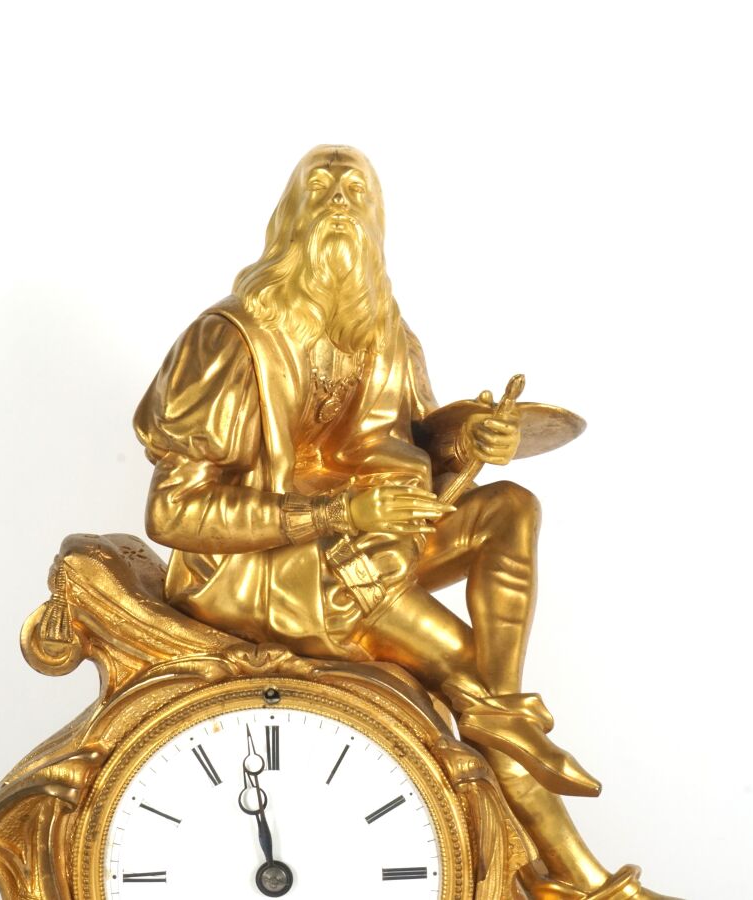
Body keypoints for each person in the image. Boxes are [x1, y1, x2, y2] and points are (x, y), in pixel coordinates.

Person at [134, 146, 677, 899]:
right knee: (460, 665)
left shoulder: (385, 334)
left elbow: (415, 441)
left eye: (353, 188)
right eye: (319, 186)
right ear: (287, 219)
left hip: (370, 543)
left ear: (377, 222)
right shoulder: (229, 340)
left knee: (510, 509)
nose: (337, 200)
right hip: (263, 571)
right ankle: (581, 881)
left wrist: (471, 438)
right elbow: (173, 511)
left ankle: (499, 707)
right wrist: (339, 510)